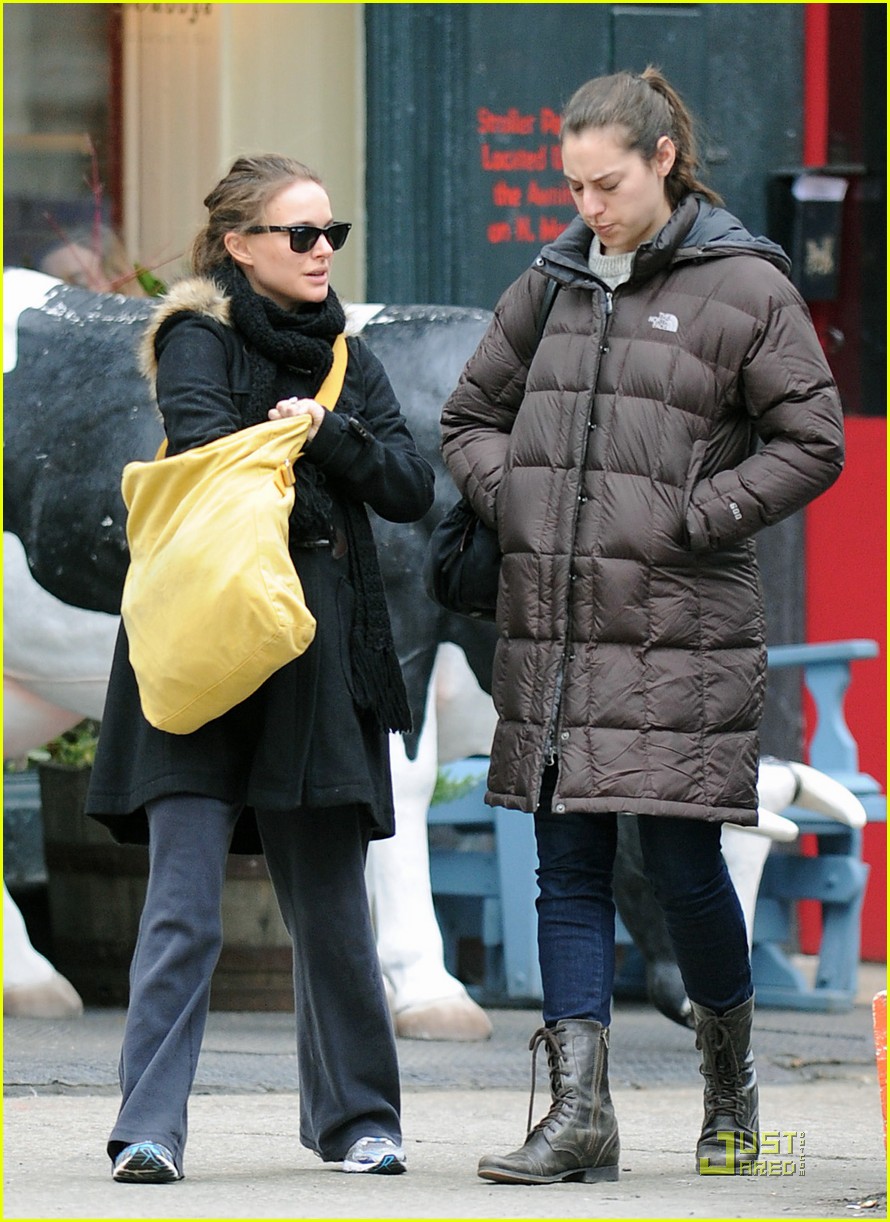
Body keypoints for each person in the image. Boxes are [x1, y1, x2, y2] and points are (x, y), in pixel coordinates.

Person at [440, 68, 844, 1183]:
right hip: (557, 631)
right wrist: (524, 505)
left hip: (679, 632)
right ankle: (580, 1117)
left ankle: (729, 1087)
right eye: (572, 186)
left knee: (681, 866)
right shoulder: (554, 278)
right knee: (565, 863)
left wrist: (692, 517)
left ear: (662, 159)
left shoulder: (744, 286)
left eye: (606, 184)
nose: (588, 208)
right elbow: (468, 418)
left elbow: (812, 441)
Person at [85, 154, 435, 1183]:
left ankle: (360, 1121)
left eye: (332, 233)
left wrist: (328, 433)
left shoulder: (348, 358)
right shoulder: (196, 335)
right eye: (300, 234)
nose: (322, 251)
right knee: (183, 904)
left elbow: (410, 485)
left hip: (318, 651)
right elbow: (202, 440)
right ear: (239, 244)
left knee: (331, 908)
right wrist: (310, 444)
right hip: (207, 639)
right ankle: (149, 1127)